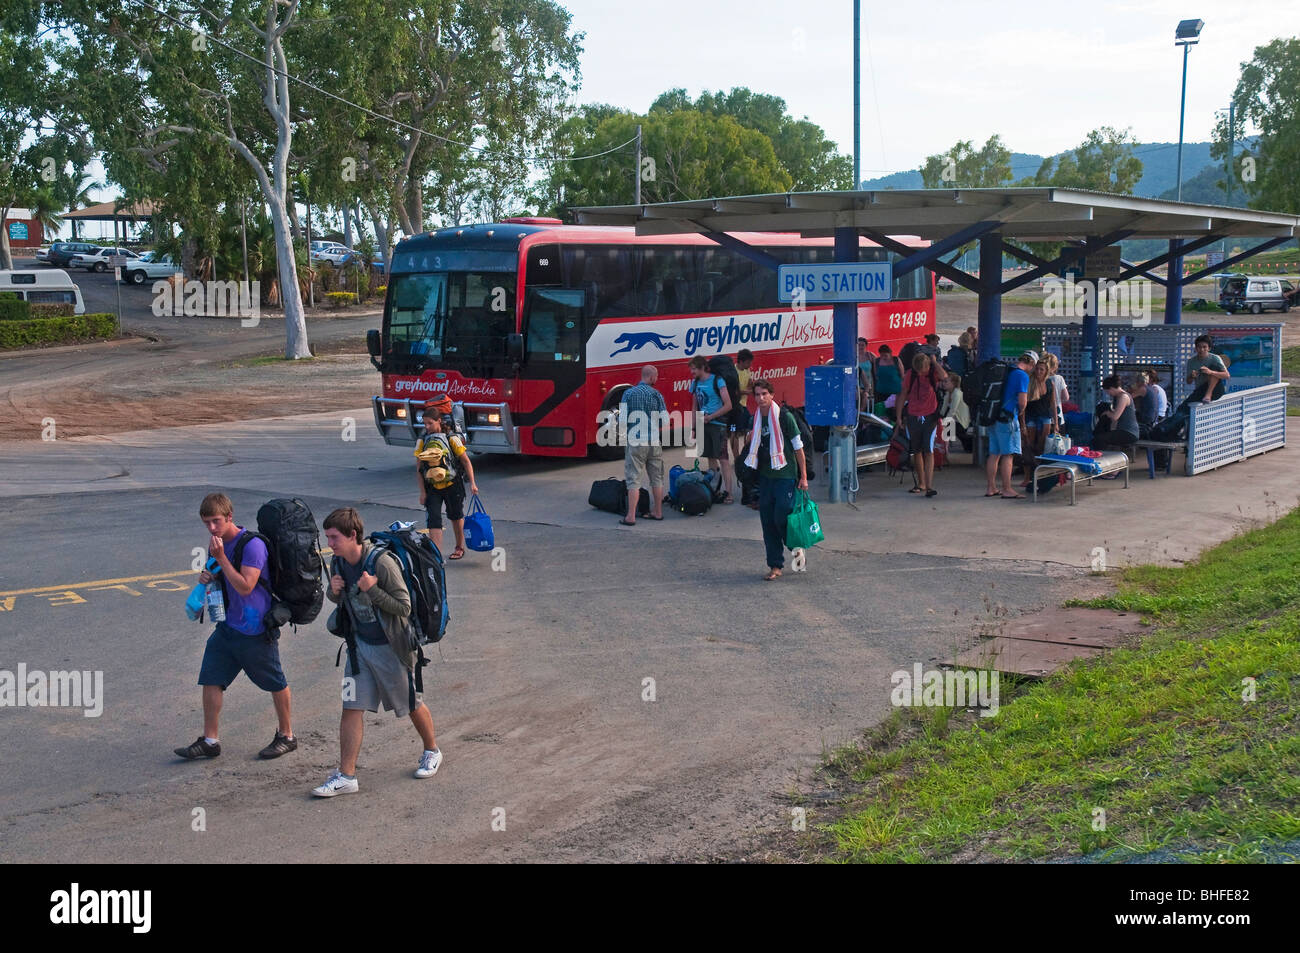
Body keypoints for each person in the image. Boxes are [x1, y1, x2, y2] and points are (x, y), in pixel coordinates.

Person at [313, 508, 441, 797]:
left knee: (411, 703)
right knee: (351, 707)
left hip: (391, 649)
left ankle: (432, 750)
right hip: (358, 650)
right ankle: (347, 776)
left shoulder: (381, 564)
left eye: (334, 538)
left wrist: (373, 590)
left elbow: (403, 607)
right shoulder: (338, 563)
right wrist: (334, 592)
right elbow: (341, 599)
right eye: (328, 538)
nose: (330, 543)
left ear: (352, 536)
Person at [175, 492, 295, 761]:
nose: (212, 528)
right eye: (206, 523)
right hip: (227, 627)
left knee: (275, 682)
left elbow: (245, 586)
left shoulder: (251, 546)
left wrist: (222, 559)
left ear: (230, 516)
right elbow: (223, 581)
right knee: (211, 678)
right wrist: (208, 577)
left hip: (254, 630)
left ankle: (287, 735)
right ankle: (210, 740)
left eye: (216, 521)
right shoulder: (216, 545)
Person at [745, 379, 808, 581]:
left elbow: (798, 448)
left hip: (785, 475)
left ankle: (796, 550)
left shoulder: (784, 417)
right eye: (757, 394)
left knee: (782, 517)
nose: (761, 398)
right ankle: (775, 566)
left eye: (764, 394)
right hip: (765, 477)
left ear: (771, 395)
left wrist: (804, 476)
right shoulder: (755, 418)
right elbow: (751, 446)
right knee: (767, 521)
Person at [415, 396, 479, 559]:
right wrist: (422, 493)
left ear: (439, 421)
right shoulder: (422, 441)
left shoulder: (452, 438)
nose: (427, 427)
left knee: (456, 516)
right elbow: (419, 469)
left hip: (453, 484)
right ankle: (436, 555)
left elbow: (466, 462)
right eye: (425, 423)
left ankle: (459, 547)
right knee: (434, 520)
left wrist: (472, 483)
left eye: (430, 423)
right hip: (432, 487)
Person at [618, 365, 667, 526]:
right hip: (654, 441)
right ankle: (658, 512)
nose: (657, 379)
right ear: (652, 377)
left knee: (633, 479)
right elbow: (665, 420)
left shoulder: (628, 393)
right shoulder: (657, 395)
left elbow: (622, 420)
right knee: (657, 478)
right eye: (657, 377)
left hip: (636, 441)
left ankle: (630, 516)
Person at [897, 352, 947, 497]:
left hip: (930, 416)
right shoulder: (910, 375)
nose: (920, 373)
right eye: (918, 370)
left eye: (923, 370)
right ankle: (921, 483)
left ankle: (929, 485)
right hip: (913, 415)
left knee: (929, 450)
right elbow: (903, 395)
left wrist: (934, 362)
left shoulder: (932, 374)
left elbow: (944, 377)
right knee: (916, 450)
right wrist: (899, 417)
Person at [985, 352, 1032, 499]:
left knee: (994, 454)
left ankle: (991, 487)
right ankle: (1007, 489)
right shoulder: (1022, 375)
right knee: (1008, 455)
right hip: (1008, 418)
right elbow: (1022, 402)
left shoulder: (1006, 370)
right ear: (1031, 364)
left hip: (993, 416)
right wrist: (1020, 413)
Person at [688, 355, 734, 503]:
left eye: (694, 369)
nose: (692, 372)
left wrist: (712, 417)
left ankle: (729, 493)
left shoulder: (717, 381)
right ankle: (715, 489)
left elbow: (728, 405)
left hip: (717, 425)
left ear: (702, 367)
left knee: (723, 459)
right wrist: (694, 428)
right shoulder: (695, 383)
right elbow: (694, 407)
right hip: (703, 424)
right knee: (710, 458)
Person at [1019, 358, 1058, 482]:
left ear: (1046, 371)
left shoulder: (1049, 383)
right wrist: (1023, 424)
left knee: (1042, 446)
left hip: (1045, 416)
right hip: (1031, 415)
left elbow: (1053, 404)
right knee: (1028, 446)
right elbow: (1023, 406)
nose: (1039, 371)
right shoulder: (1029, 382)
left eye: (1042, 369)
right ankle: (1026, 477)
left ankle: (1040, 475)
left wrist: (1056, 423)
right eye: (1037, 368)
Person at [1092, 375, 1139, 452]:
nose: (1108, 394)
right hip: (1123, 430)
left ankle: (1102, 458)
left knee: (1099, 439)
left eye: (1108, 391)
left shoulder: (1123, 397)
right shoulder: (1118, 397)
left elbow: (1115, 416)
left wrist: (1107, 413)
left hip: (1129, 432)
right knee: (1101, 436)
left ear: (1112, 388)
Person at [1183, 335, 1230, 407]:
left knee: (1214, 367)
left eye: (1204, 347)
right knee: (1183, 407)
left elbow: (1227, 375)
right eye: (1199, 347)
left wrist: (1210, 372)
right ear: (1195, 348)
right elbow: (1188, 382)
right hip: (1201, 389)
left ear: (1209, 348)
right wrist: (1192, 376)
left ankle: (1208, 394)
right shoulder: (1191, 361)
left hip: (1216, 390)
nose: (1201, 349)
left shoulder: (1215, 358)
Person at [731, 349, 756, 461]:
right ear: (741, 361)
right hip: (734, 408)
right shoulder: (733, 372)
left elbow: (750, 384)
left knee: (749, 430)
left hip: (743, 406)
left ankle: (746, 454)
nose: (750, 365)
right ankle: (737, 459)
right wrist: (746, 391)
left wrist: (752, 386)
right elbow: (733, 391)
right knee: (734, 433)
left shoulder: (746, 370)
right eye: (748, 362)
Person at [939, 368, 972, 453]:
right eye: (943, 381)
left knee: (946, 430)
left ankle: (944, 451)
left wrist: (943, 422)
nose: (943, 384)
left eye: (946, 382)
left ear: (953, 383)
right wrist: (940, 418)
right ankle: (945, 450)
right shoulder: (948, 393)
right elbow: (943, 410)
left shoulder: (957, 393)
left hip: (961, 421)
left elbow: (953, 410)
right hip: (955, 420)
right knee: (946, 430)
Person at [873, 345, 904, 416]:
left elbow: (902, 375)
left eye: (885, 355)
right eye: (882, 355)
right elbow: (876, 375)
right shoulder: (877, 361)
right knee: (881, 413)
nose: (884, 357)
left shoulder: (896, 360)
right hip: (881, 393)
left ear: (890, 354)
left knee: (894, 414)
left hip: (895, 393)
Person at [1044, 353, 1070, 429]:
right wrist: (1058, 399)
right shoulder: (1059, 378)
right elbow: (1066, 397)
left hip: (1044, 416)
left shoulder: (1041, 378)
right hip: (1058, 417)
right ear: (1055, 366)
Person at [856, 338, 876, 412]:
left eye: (863, 345)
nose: (861, 347)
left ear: (866, 346)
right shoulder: (854, 357)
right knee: (858, 401)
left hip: (869, 383)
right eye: (859, 345)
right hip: (857, 384)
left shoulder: (870, 356)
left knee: (869, 402)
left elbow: (875, 371)